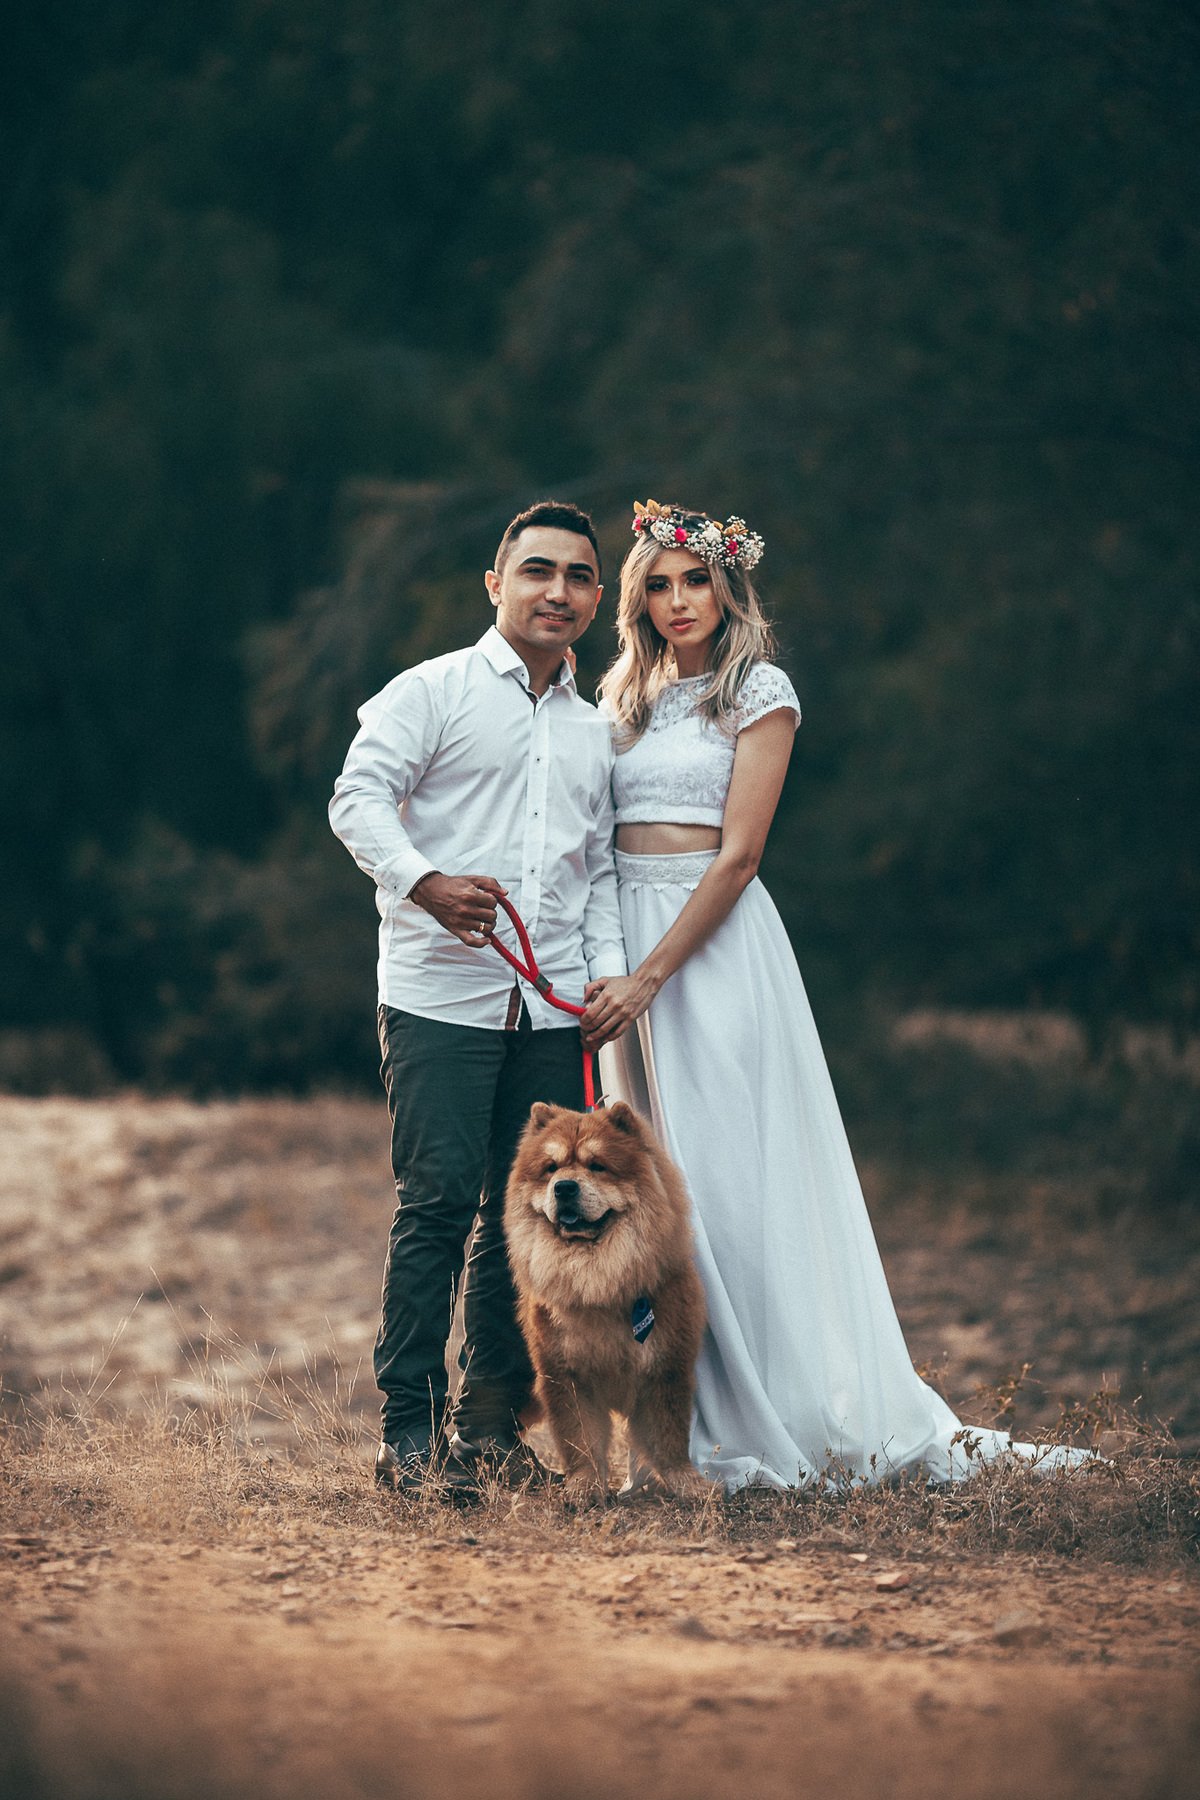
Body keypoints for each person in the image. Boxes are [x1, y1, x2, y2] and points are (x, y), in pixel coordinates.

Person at [582, 500, 1085, 1492]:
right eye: (658, 583)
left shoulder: (757, 690)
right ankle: (674, 1423)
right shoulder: (623, 696)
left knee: (726, 1178)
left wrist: (651, 976)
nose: (678, 601)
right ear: (636, 597)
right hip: (622, 950)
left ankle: (769, 1412)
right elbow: (596, 842)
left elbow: (740, 859)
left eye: (695, 580)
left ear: (728, 587)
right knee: (649, 1185)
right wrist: (609, 968)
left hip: (709, 951)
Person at [329, 500, 626, 1490]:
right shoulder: (434, 692)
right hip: (438, 1002)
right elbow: (356, 798)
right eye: (538, 570)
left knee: (530, 1220)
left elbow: (598, 875)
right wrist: (424, 880)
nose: (560, 591)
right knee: (440, 1205)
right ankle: (405, 1437)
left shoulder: (593, 734)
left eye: (580, 576)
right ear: (495, 584)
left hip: (549, 1016)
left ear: (595, 597)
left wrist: (602, 980)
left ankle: (490, 1429)